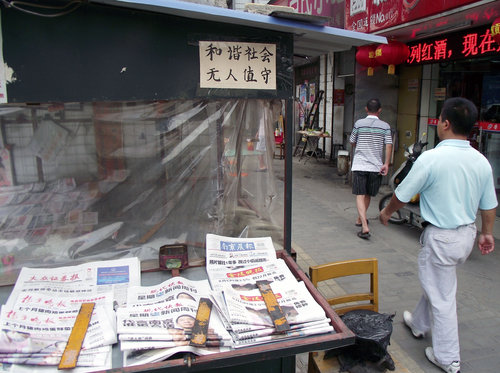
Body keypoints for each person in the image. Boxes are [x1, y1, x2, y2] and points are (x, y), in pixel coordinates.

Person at [379, 97, 497, 373]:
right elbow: (489, 204)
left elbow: (401, 194)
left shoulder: (432, 158)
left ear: (445, 123)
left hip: (442, 237)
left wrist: (386, 214)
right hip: (466, 236)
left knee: (443, 296)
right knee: (438, 281)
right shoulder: (481, 161)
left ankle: (448, 357)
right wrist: (487, 234)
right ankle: (419, 324)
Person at [350, 98, 393, 239]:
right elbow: (388, 145)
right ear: (380, 110)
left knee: (360, 194)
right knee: (368, 194)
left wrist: (360, 149)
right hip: (376, 166)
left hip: (360, 164)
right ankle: (362, 220)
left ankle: (363, 224)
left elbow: (352, 141)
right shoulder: (385, 126)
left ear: (366, 109)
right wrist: (386, 163)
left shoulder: (359, 124)